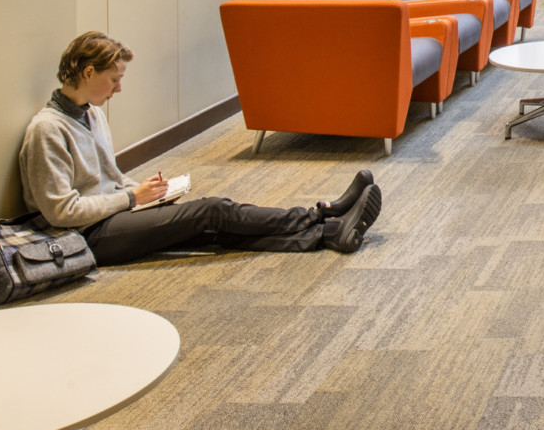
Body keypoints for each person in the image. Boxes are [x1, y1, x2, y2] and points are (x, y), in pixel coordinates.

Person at [20, 32, 382, 266]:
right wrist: (132, 199)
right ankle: (317, 215)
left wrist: (142, 190)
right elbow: (61, 213)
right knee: (212, 212)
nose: (118, 88)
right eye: (114, 79)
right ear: (87, 72)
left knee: (211, 230)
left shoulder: (92, 114)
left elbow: (108, 179)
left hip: (113, 215)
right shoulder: (47, 131)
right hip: (86, 236)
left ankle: (328, 233)